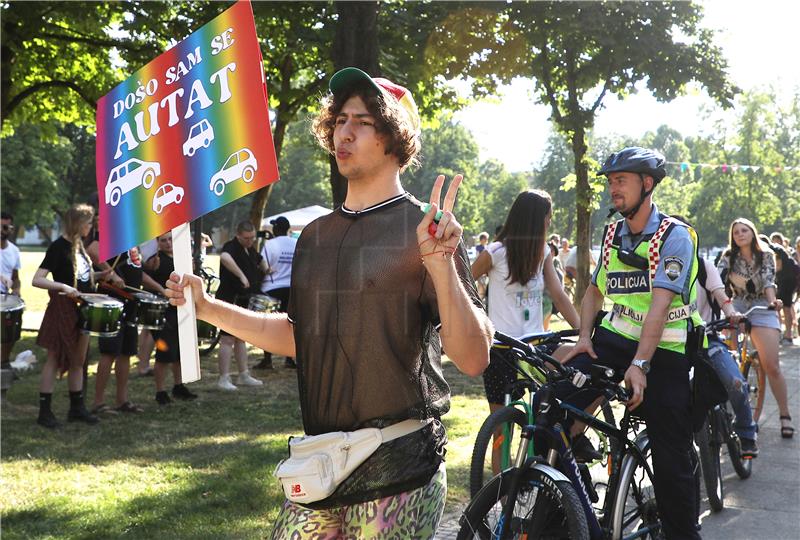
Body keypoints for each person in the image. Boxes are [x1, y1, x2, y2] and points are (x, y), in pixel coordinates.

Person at [165, 67, 492, 538]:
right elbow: (300, 336)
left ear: (395, 137)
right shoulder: (315, 235)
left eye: (363, 121)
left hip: (398, 468)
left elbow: (473, 357)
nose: (345, 131)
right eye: (339, 120)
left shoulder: (428, 229)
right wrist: (207, 306)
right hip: (318, 466)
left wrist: (440, 266)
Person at [562, 147, 704, 539]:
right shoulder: (613, 232)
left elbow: (659, 308)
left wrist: (640, 365)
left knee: (671, 457)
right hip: (614, 341)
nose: (613, 189)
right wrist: (584, 337)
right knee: (553, 406)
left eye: (620, 181)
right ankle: (567, 506)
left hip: (666, 353)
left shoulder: (675, 237)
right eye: (610, 182)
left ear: (647, 184)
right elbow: (593, 291)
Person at [471, 189, 582, 467]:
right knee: (501, 432)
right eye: (548, 217)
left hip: (535, 348)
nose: (550, 222)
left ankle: (570, 438)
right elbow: (463, 282)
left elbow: (558, 295)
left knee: (574, 368)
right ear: (535, 220)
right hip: (501, 350)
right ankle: (501, 500)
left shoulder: (543, 252)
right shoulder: (495, 253)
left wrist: (583, 331)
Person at [673, 217, 759, 457]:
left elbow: (722, 297)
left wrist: (732, 314)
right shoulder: (657, 268)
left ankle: (747, 432)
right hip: (673, 343)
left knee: (736, 383)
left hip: (706, 338)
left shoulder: (702, 266)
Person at [32, 204, 110, 428]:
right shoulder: (59, 246)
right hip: (63, 308)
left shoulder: (80, 248)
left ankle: (76, 408)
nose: (90, 227)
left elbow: (81, 277)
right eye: (88, 223)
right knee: (54, 358)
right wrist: (63, 287)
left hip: (82, 308)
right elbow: (37, 279)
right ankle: (44, 412)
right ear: (78, 223)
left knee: (79, 360)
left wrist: (99, 274)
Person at [717, 219, 793, 437]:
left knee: (771, 364)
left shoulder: (766, 254)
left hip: (761, 303)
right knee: (726, 358)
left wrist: (773, 302)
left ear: (753, 232)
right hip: (737, 304)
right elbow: (719, 283)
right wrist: (724, 307)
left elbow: (769, 282)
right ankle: (730, 413)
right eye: (736, 232)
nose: (740, 234)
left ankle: (785, 415)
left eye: (744, 230)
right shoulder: (728, 257)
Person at [92, 246, 158, 414]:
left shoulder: (132, 241)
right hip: (112, 302)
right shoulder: (113, 233)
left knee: (126, 352)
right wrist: (111, 274)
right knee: (109, 352)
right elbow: (92, 249)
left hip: (131, 303)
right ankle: (98, 403)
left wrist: (158, 288)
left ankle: (122, 400)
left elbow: (137, 273)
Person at [144, 231, 197, 405]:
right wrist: (160, 289)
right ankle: (160, 391)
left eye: (170, 240)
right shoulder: (154, 260)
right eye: (163, 240)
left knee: (180, 352)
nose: (168, 243)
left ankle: (178, 386)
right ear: (157, 242)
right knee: (164, 354)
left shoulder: (181, 258)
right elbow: (142, 277)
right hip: (161, 312)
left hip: (180, 309)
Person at [215, 221, 266, 390]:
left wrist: (265, 267)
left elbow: (260, 261)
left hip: (244, 299)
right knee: (227, 338)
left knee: (241, 337)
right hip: (229, 297)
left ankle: (243, 374)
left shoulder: (249, 248)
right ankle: (223, 378)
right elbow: (224, 258)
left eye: (252, 237)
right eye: (246, 238)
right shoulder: (232, 246)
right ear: (238, 235)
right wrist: (241, 276)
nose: (250, 241)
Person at [257, 216, 297, 370]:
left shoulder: (270, 244)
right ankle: (289, 359)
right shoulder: (295, 243)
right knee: (290, 325)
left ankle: (267, 359)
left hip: (271, 287)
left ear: (276, 229)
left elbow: (263, 264)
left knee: (267, 325)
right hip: (291, 288)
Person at [1, 212, 22, 369]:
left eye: (5, 227)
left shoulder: (14, 251)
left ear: (11, 229)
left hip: (5, 298)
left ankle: (4, 361)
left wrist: (17, 289)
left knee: (11, 332)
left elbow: (15, 277)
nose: (2, 230)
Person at [768, 232, 797, 343]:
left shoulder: (775, 250)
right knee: (783, 308)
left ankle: (787, 334)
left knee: (785, 308)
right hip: (785, 281)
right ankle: (782, 333)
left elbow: (777, 267)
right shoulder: (778, 249)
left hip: (785, 282)